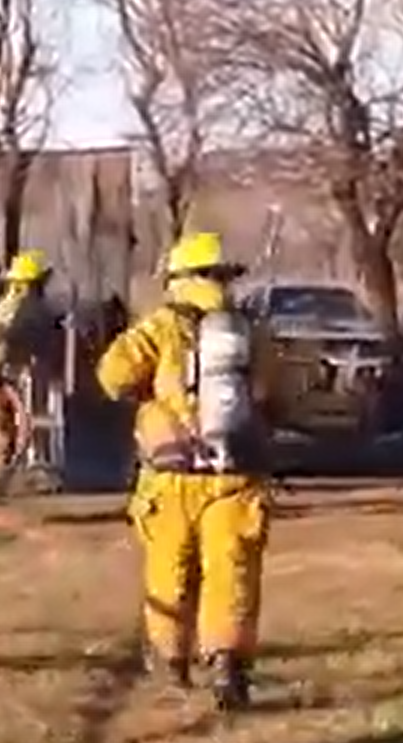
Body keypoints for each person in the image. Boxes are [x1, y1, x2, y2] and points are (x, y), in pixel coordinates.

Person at [96, 231, 279, 712]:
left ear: (178, 277)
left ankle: (171, 666)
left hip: (171, 476)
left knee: (169, 571)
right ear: (225, 278)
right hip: (236, 475)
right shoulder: (247, 330)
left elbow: (112, 377)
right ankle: (228, 666)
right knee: (232, 571)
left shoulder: (159, 327)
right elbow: (272, 391)